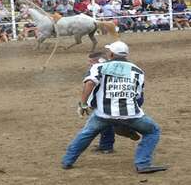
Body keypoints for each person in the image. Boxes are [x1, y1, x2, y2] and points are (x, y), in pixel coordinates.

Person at [62, 41, 167, 173]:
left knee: (87, 133)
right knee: (153, 131)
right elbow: (139, 96)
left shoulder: (99, 67)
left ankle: (67, 161)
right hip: (131, 114)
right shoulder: (138, 71)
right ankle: (143, 163)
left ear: (111, 54)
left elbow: (89, 83)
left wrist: (83, 104)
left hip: (103, 114)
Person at [87, 52, 140, 154]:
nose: (89, 64)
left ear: (100, 61)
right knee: (106, 123)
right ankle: (106, 144)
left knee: (103, 123)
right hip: (114, 100)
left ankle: (124, 130)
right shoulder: (109, 68)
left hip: (111, 101)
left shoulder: (101, 69)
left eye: (91, 62)